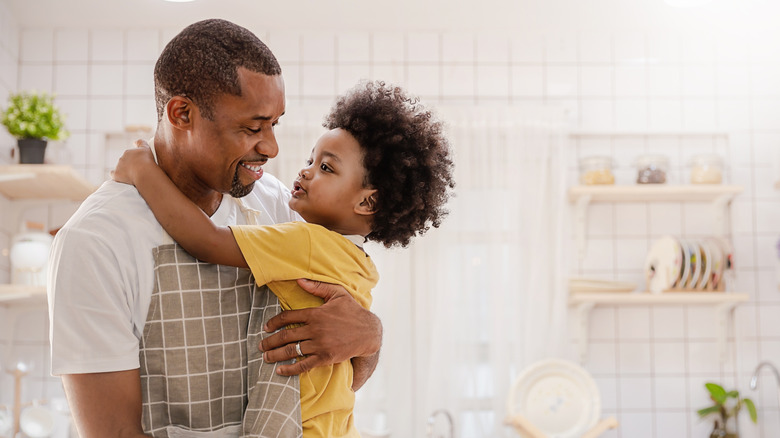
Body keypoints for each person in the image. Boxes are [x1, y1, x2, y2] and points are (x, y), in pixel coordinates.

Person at [47, 19, 382, 438]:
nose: (271, 147)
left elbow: (331, 380)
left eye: (274, 124)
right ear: (182, 114)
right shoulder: (95, 242)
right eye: (252, 128)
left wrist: (370, 334)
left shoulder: (276, 202)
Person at [112, 80, 455, 437]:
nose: (306, 171)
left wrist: (142, 171)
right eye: (311, 160)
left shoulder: (306, 241)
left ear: (367, 202)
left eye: (327, 168)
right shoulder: (360, 264)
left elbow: (205, 240)